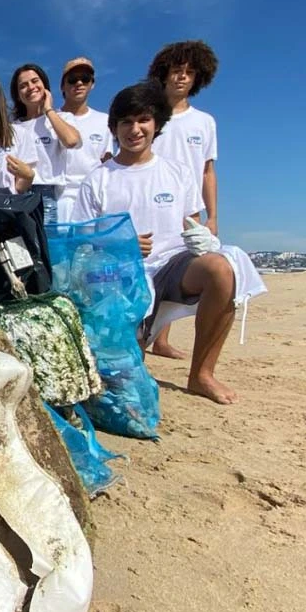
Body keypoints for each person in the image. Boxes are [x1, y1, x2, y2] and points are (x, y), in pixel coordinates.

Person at [71, 79, 242, 405]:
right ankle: (136, 343)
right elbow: (82, 239)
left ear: (157, 124)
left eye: (143, 120)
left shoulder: (177, 172)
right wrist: (121, 243)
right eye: (125, 122)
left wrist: (203, 238)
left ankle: (201, 374)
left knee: (221, 270)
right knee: (126, 384)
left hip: (172, 266)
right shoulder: (99, 179)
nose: (134, 129)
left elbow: (190, 223)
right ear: (114, 127)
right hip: (121, 277)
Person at [145, 40, 221, 359]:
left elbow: (207, 171)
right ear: (163, 74)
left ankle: (163, 340)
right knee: (154, 265)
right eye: (176, 71)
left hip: (188, 207)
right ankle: (146, 335)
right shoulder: (146, 115)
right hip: (151, 201)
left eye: (189, 73)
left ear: (197, 78)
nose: (182, 77)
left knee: (182, 265)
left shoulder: (204, 122)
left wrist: (213, 216)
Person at [9, 63, 82, 222]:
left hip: (47, 195)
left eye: (35, 81)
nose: (30, 87)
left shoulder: (62, 118)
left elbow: (71, 141)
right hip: (17, 195)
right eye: (23, 85)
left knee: (49, 245)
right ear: (17, 94)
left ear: (45, 86)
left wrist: (48, 110)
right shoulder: (12, 127)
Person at [56, 56, 112, 222]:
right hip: (58, 199)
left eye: (85, 79)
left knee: (88, 248)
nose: (79, 84)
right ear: (63, 87)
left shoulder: (105, 121)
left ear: (92, 84)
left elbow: (107, 163)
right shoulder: (51, 119)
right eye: (72, 80)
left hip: (91, 200)